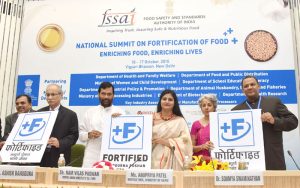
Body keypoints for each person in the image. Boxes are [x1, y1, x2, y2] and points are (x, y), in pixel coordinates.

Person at [232, 75, 298, 170]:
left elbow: (293, 122)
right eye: (246, 86)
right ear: (243, 90)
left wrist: (274, 120)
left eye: (252, 84)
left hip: (272, 158)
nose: (249, 87)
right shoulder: (236, 111)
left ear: (259, 86)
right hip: (248, 160)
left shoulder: (273, 102)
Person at [79, 82, 124, 168]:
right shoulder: (89, 112)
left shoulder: (120, 113)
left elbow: (125, 139)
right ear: (98, 94)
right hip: (91, 155)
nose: (106, 97)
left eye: (109, 94)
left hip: (113, 156)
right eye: (103, 94)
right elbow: (81, 135)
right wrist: (89, 134)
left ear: (113, 95)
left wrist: (119, 121)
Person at [38, 84, 79, 167]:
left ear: (61, 95)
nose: (49, 97)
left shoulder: (70, 115)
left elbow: (74, 136)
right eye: (47, 95)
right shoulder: (39, 113)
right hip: (41, 156)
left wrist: (60, 143)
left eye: (53, 94)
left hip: (60, 156)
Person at [152, 89, 193, 170]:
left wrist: (168, 142)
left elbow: (187, 142)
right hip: (154, 158)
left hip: (174, 160)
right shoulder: (151, 118)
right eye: (164, 99)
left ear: (174, 103)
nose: (167, 101)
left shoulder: (180, 120)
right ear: (160, 101)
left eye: (170, 99)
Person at [190, 94, 216, 159]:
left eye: (209, 105)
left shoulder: (219, 123)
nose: (206, 107)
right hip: (199, 162)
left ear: (214, 107)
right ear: (201, 108)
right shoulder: (196, 124)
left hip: (216, 162)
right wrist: (202, 146)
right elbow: (191, 148)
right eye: (203, 105)